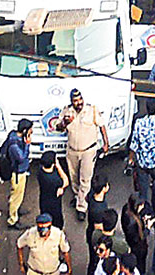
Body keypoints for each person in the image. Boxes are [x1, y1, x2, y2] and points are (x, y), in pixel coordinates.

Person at [60, 89, 109, 218]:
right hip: (72, 151)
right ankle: (78, 196)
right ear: (71, 102)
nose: (79, 103)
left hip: (88, 150)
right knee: (74, 177)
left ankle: (81, 207)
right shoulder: (66, 111)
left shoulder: (91, 110)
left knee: (85, 178)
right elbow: (58, 128)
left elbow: (102, 126)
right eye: (76, 101)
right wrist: (65, 122)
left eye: (80, 99)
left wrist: (106, 143)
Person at [1, 118, 35, 228]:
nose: (32, 131)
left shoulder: (14, 136)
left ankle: (16, 209)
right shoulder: (14, 145)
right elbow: (21, 157)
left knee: (18, 195)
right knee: (16, 196)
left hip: (21, 171)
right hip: (17, 173)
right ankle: (12, 219)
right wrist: (27, 145)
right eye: (30, 129)